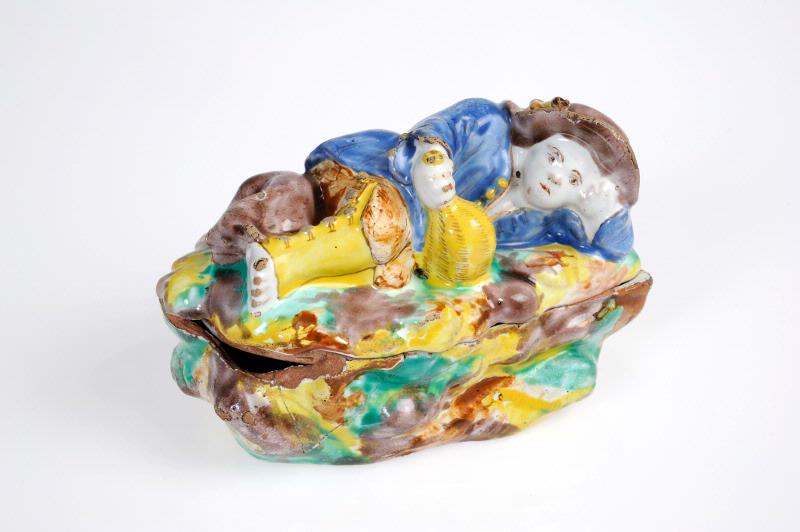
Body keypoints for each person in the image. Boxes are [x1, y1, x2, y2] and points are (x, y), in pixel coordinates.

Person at [212, 97, 639, 314]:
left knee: (393, 244)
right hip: (366, 172)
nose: (556, 177)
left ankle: (283, 256)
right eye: (556, 157)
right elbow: (442, 130)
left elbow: (614, 250)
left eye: (574, 181)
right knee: (387, 221)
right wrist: (431, 158)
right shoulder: (489, 124)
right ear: (538, 141)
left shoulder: (540, 222)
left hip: (401, 247)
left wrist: (608, 210)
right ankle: (280, 263)